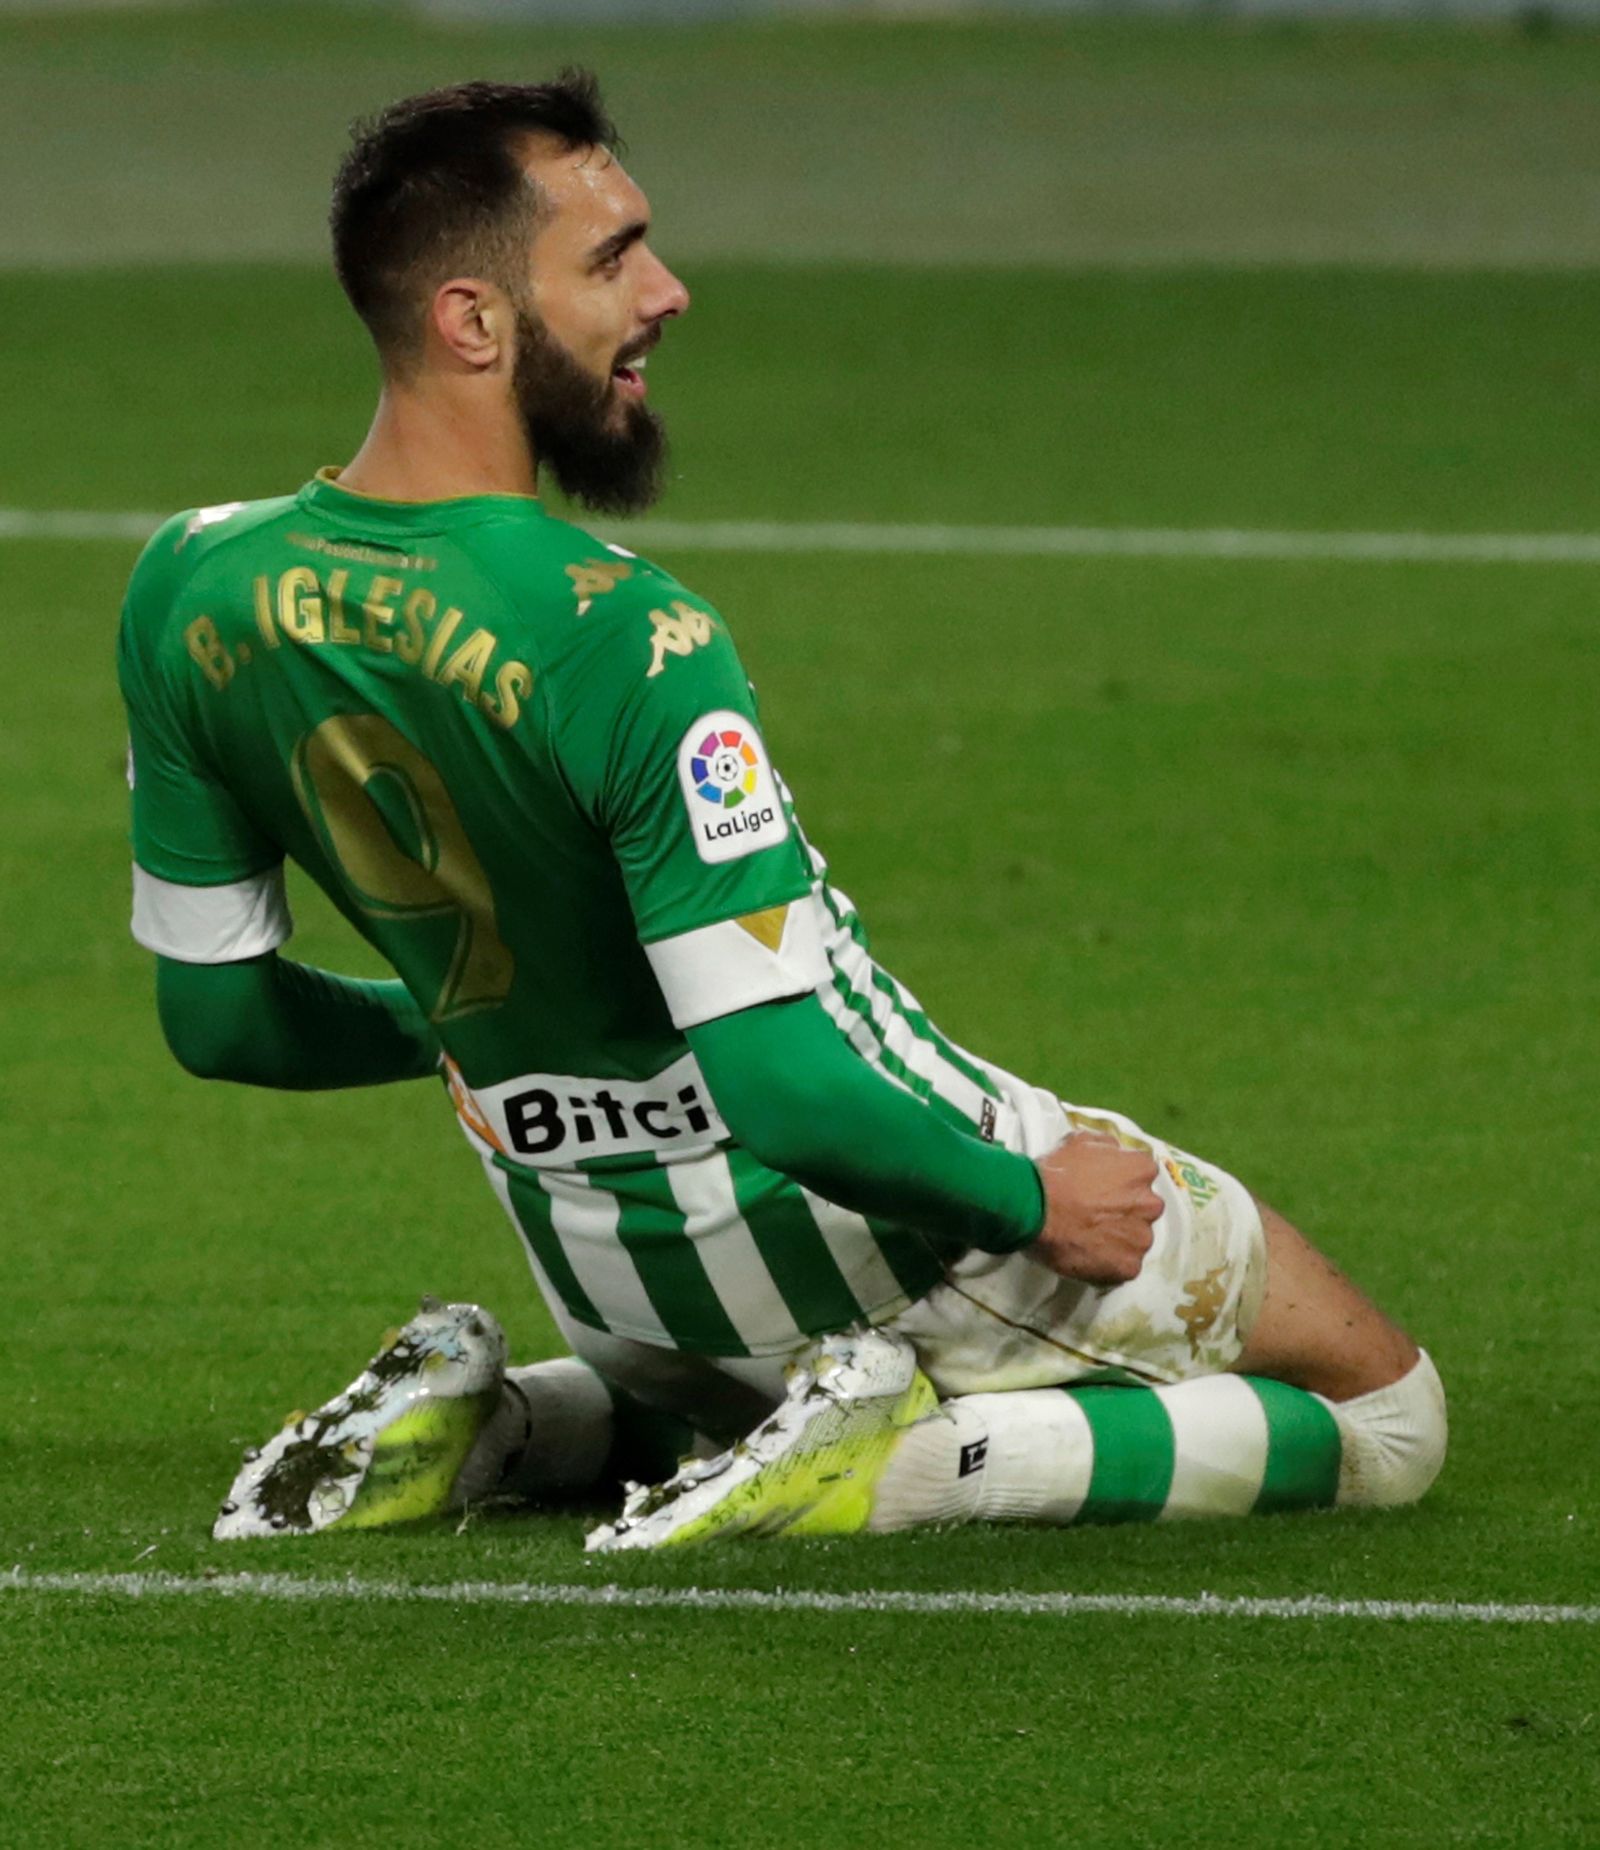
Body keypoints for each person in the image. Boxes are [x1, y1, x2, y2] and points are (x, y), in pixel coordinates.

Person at [117, 73, 1445, 1552]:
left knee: (709, 1397)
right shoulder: (625, 631)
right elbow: (785, 1085)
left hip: (612, 1275)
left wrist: (469, 1025)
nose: (668, 292)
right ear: (474, 323)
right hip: (897, 1226)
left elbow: (223, 1022)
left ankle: (508, 1421)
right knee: (1389, 1416)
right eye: (614, 258)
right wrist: (1030, 1198)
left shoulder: (185, 587)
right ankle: (915, 1460)